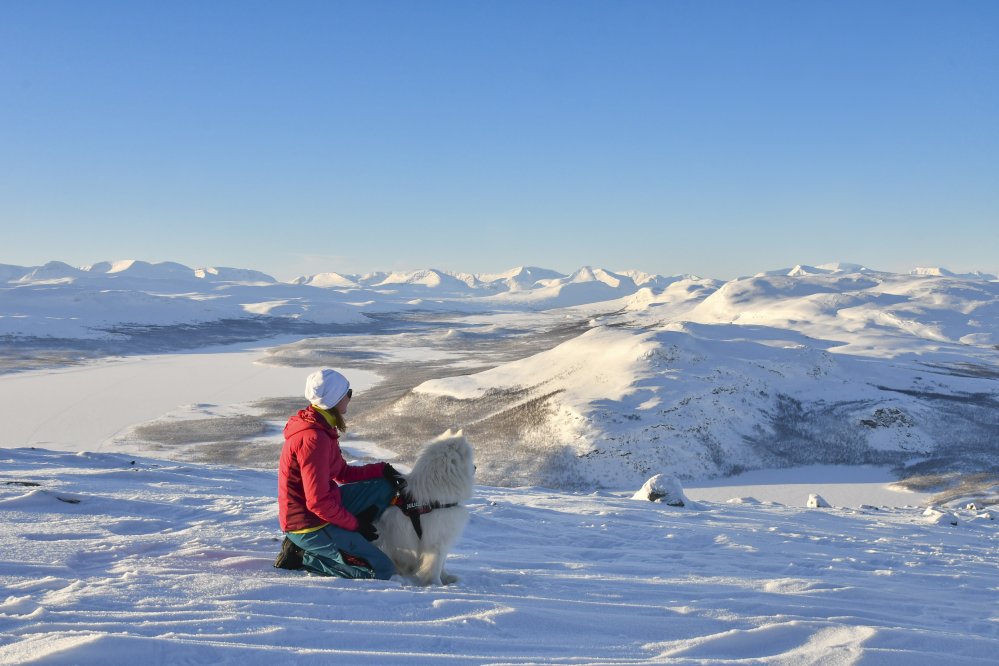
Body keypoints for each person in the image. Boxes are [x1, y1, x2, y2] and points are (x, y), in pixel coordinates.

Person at [274, 368, 407, 579]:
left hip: (323, 507)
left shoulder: (322, 426)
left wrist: (382, 469)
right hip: (308, 524)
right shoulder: (313, 439)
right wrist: (356, 525)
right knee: (381, 570)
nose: (350, 397)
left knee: (385, 487)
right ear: (335, 399)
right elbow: (317, 503)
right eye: (349, 392)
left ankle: (353, 539)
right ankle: (303, 555)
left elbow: (341, 473)